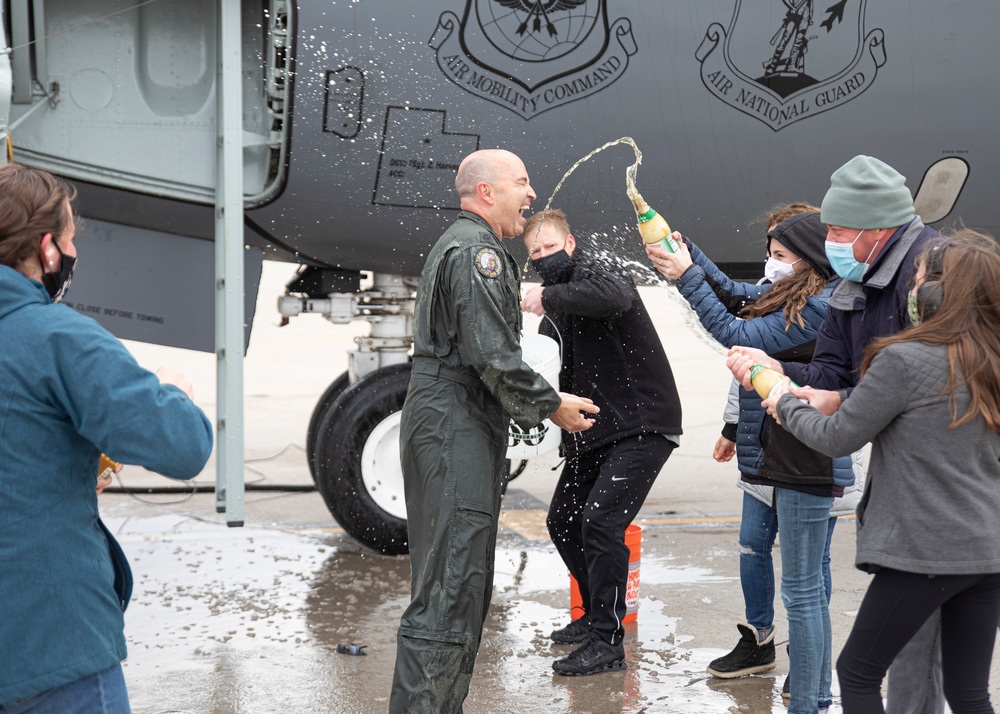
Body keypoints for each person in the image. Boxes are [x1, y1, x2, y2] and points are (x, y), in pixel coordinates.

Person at [726, 154, 945, 713]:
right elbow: (834, 373)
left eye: (842, 232)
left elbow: (893, 398)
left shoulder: (925, 279)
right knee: (947, 679)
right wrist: (795, 380)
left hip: (933, 503)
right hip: (915, 496)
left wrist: (791, 394)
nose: (834, 245)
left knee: (885, 665)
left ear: (878, 229)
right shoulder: (856, 278)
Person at [388, 150, 599, 713]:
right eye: (522, 183)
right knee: (451, 589)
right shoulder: (477, 253)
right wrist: (552, 405)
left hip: (455, 419)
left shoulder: (466, 245)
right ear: (486, 192)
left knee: (457, 584)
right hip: (454, 422)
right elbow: (490, 354)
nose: (531, 196)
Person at [0, 163, 214, 712]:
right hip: (46, 643)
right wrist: (172, 393)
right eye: (70, 240)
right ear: (47, 250)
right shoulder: (57, 337)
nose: (74, 254)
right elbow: (182, 445)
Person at [764, 231, 1000, 714]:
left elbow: (837, 439)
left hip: (925, 552)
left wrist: (785, 402)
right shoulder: (989, 363)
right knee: (969, 692)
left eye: (919, 280)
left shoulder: (903, 359)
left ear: (936, 296)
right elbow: (928, 407)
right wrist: (838, 398)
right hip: (988, 552)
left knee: (857, 672)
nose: (912, 291)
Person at [648, 210, 853, 714]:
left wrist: (685, 277)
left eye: (780, 256)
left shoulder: (819, 308)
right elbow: (735, 292)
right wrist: (689, 254)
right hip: (776, 452)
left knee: (804, 590)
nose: (770, 265)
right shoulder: (795, 292)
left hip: (806, 460)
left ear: (810, 261)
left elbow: (730, 330)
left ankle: (811, 695)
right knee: (763, 555)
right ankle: (791, 671)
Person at [520, 209, 683, 675]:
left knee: (600, 522)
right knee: (564, 520)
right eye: (535, 254)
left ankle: (607, 643)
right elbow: (546, 365)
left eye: (550, 247)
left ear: (570, 243)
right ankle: (595, 614)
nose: (544, 257)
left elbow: (611, 296)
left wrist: (547, 296)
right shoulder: (562, 305)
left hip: (642, 423)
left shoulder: (597, 268)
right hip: (598, 430)